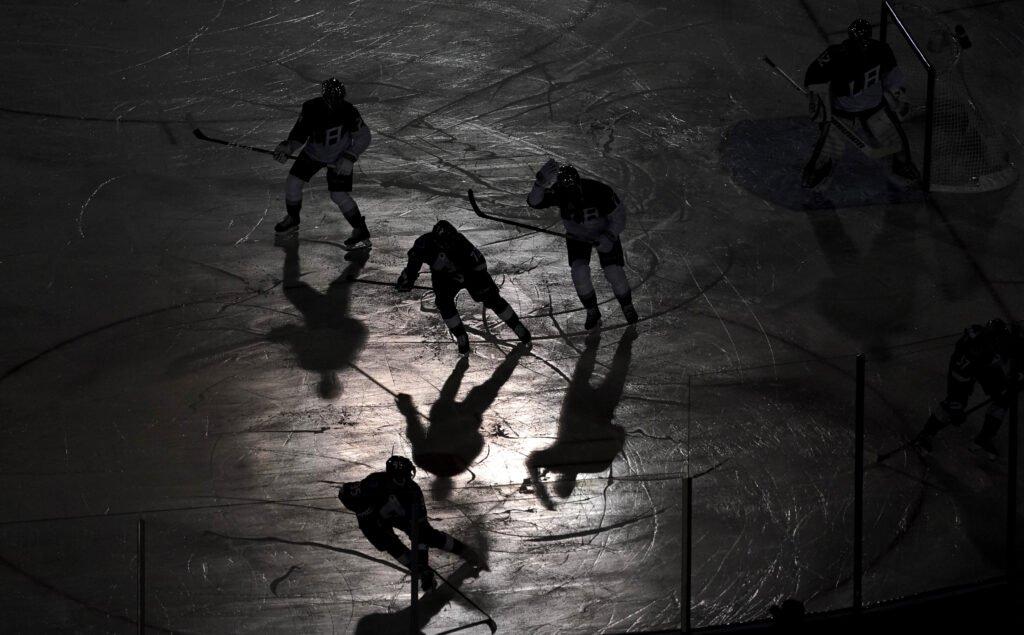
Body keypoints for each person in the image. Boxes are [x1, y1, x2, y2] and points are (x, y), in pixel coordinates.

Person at [802, 19, 919, 190]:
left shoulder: (881, 51)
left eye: (865, 40)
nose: (863, 45)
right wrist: (816, 100)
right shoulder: (836, 55)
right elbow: (814, 75)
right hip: (843, 109)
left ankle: (901, 165)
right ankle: (819, 169)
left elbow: (891, 76)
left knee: (896, 140)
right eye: (859, 41)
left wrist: (899, 97)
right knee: (829, 147)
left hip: (874, 106)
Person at [339, 456, 485, 592]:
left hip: (403, 518)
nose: (405, 480)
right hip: (373, 519)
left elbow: (420, 530)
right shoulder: (374, 482)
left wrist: (422, 562)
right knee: (389, 545)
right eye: (401, 477)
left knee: (426, 535)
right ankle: (421, 571)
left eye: (407, 476)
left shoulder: (413, 492)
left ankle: (463, 551)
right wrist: (363, 510)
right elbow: (345, 492)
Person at [527, 160, 638, 330]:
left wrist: (609, 236)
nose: (571, 197)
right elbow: (534, 202)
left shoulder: (600, 191)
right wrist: (539, 183)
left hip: (603, 231)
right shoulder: (559, 191)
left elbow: (619, 216)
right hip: (577, 235)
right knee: (579, 272)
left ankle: (627, 305)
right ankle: (592, 310)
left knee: (613, 271)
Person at [396, 220, 531, 355]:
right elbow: (414, 261)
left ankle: (516, 325)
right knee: (444, 303)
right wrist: (409, 277)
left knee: (492, 298)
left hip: (471, 274)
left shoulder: (462, 243)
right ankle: (461, 336)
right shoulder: (424, 243)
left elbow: (480, 265)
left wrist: (468, 277)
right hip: (443, 277)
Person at [272, 77, 372, 249]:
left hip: (339, 157)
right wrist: (288, 147)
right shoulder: (310, 108)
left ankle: (359, 229)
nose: (334, 103)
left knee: (338, 195)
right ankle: (293, 217)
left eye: (337, 99)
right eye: (330, 99)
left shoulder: (349, 112)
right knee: (293, 183)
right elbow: (299, 135)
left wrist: (349, 157)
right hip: (313, 153)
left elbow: (364, 136)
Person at [914, 319, 1023, 459]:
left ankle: (984, 438)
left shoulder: (983, 338)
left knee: (1003, 396)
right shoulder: (974, 358)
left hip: (976, 368)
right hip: (967, 372)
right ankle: (926, 434)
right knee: (955, 404)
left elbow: (1007, 348)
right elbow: (964, 377)